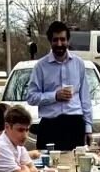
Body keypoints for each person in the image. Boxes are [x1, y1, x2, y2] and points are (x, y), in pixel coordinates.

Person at [27, 20, 91, 150]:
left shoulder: (78, 63)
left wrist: (88, 128)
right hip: (50, 125)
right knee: (48, 167)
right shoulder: (41, 66)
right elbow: (31, 97)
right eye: (55, 40)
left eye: (63, 39)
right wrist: (54, 96)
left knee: (76, 165)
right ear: (50, 41)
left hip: (75, 124)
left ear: (68, 41)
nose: (59, 44)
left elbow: (85, 98)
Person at [0, 103, 36, 172]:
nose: (25, 136)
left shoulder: (18, 145)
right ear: (7, 127)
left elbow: (34, 170)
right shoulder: (1, 147)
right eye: (20, 130)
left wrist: (25, 171)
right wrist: (25, 169)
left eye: (27, 130)